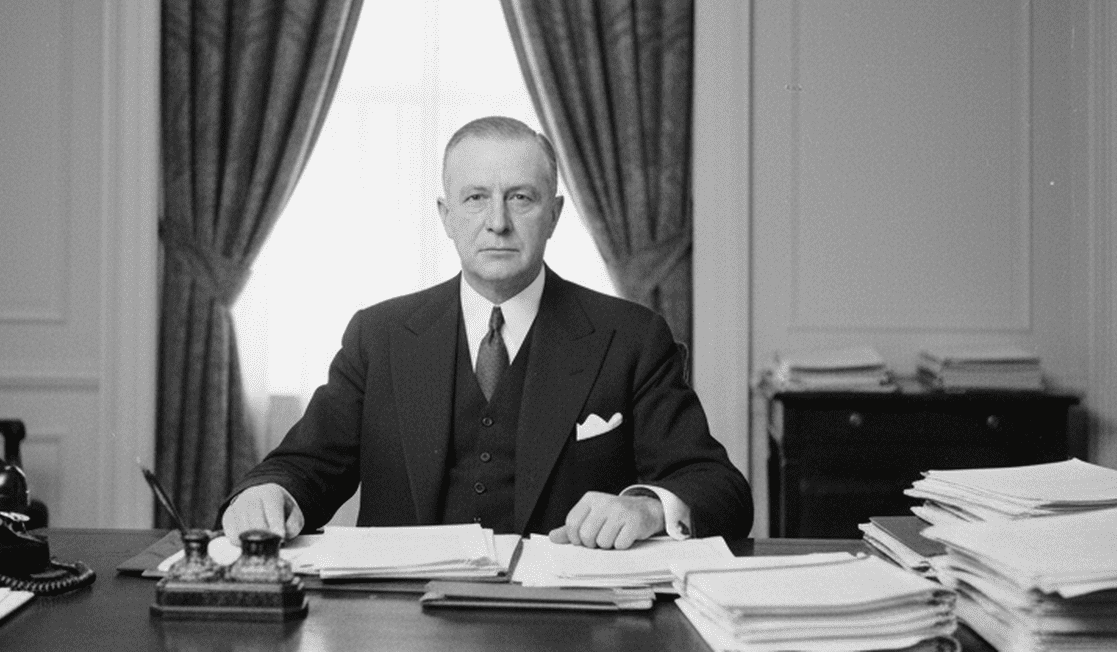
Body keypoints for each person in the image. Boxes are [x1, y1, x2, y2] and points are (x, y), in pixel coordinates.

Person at [220, 116, 751, 549]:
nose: (497, 221)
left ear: (555, 215)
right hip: (405, 624)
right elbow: (305, 465)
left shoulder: (633, 338)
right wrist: (269, 492)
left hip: (569, 625)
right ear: (446, 216)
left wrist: (645, 507)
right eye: (476, 198)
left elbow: (720, 489)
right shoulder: (378, 336)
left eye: (521, 198)